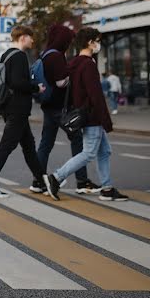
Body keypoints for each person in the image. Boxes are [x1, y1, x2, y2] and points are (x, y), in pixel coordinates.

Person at [44, 28, 128, 202]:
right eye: (97, 40)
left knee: (104, 151)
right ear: (90, 42)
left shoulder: (74, 62)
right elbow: (95, 95)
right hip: (91, 116)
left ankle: (107, 188)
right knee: (89, 153)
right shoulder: (88, 64)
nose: (99, 44)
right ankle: (56, 178)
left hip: (85, 114)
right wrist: (106, 120)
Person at [31, 24, 100, 195]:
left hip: (49, 106)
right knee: (77, 140)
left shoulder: (46, 53)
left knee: (45, 144)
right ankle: (82, 182)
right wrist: (75, 73)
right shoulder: (56, 57)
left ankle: (38, 181)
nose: (69, 43)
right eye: (68, 40)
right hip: (59, 107)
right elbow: (61, 82)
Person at [0, 25, 45, 198]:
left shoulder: (6, 55)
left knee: (28, 146)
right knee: (7, 145)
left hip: (10, 107)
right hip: (17, 109)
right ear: (23, 37)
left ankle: (42, 181)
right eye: (31, 37)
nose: (33, 41)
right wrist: (35, 87)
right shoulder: (20, 56)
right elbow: (16, 83)